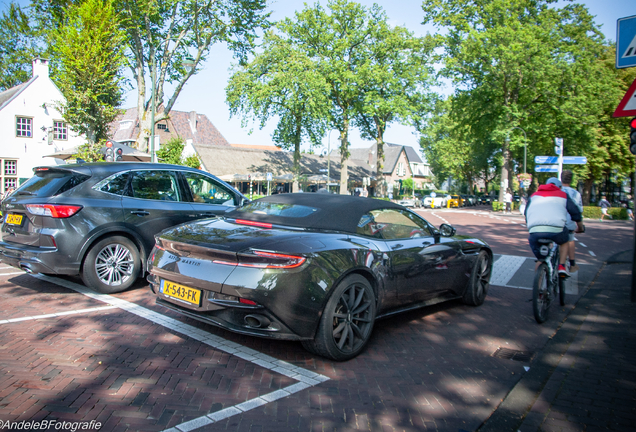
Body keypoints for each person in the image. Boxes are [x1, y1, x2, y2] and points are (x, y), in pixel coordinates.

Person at [525, 177, 584, 277]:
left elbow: (526, 212)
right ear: (560, 187)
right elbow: (575, 212)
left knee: (540, 259)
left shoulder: (534, 195)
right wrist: (580, 227)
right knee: (565, 241)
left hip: (535, 231)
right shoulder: (563, 195)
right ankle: (562, 266)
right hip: (556, 230)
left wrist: (530, 226)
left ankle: (538, 286)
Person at [561, 170, 583, 273]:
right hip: (569, 223)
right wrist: (580, 226)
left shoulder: (557, 191)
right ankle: (572, 264)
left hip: (555, 221)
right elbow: (578, 211)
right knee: (570, 239)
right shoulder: (576, 193)